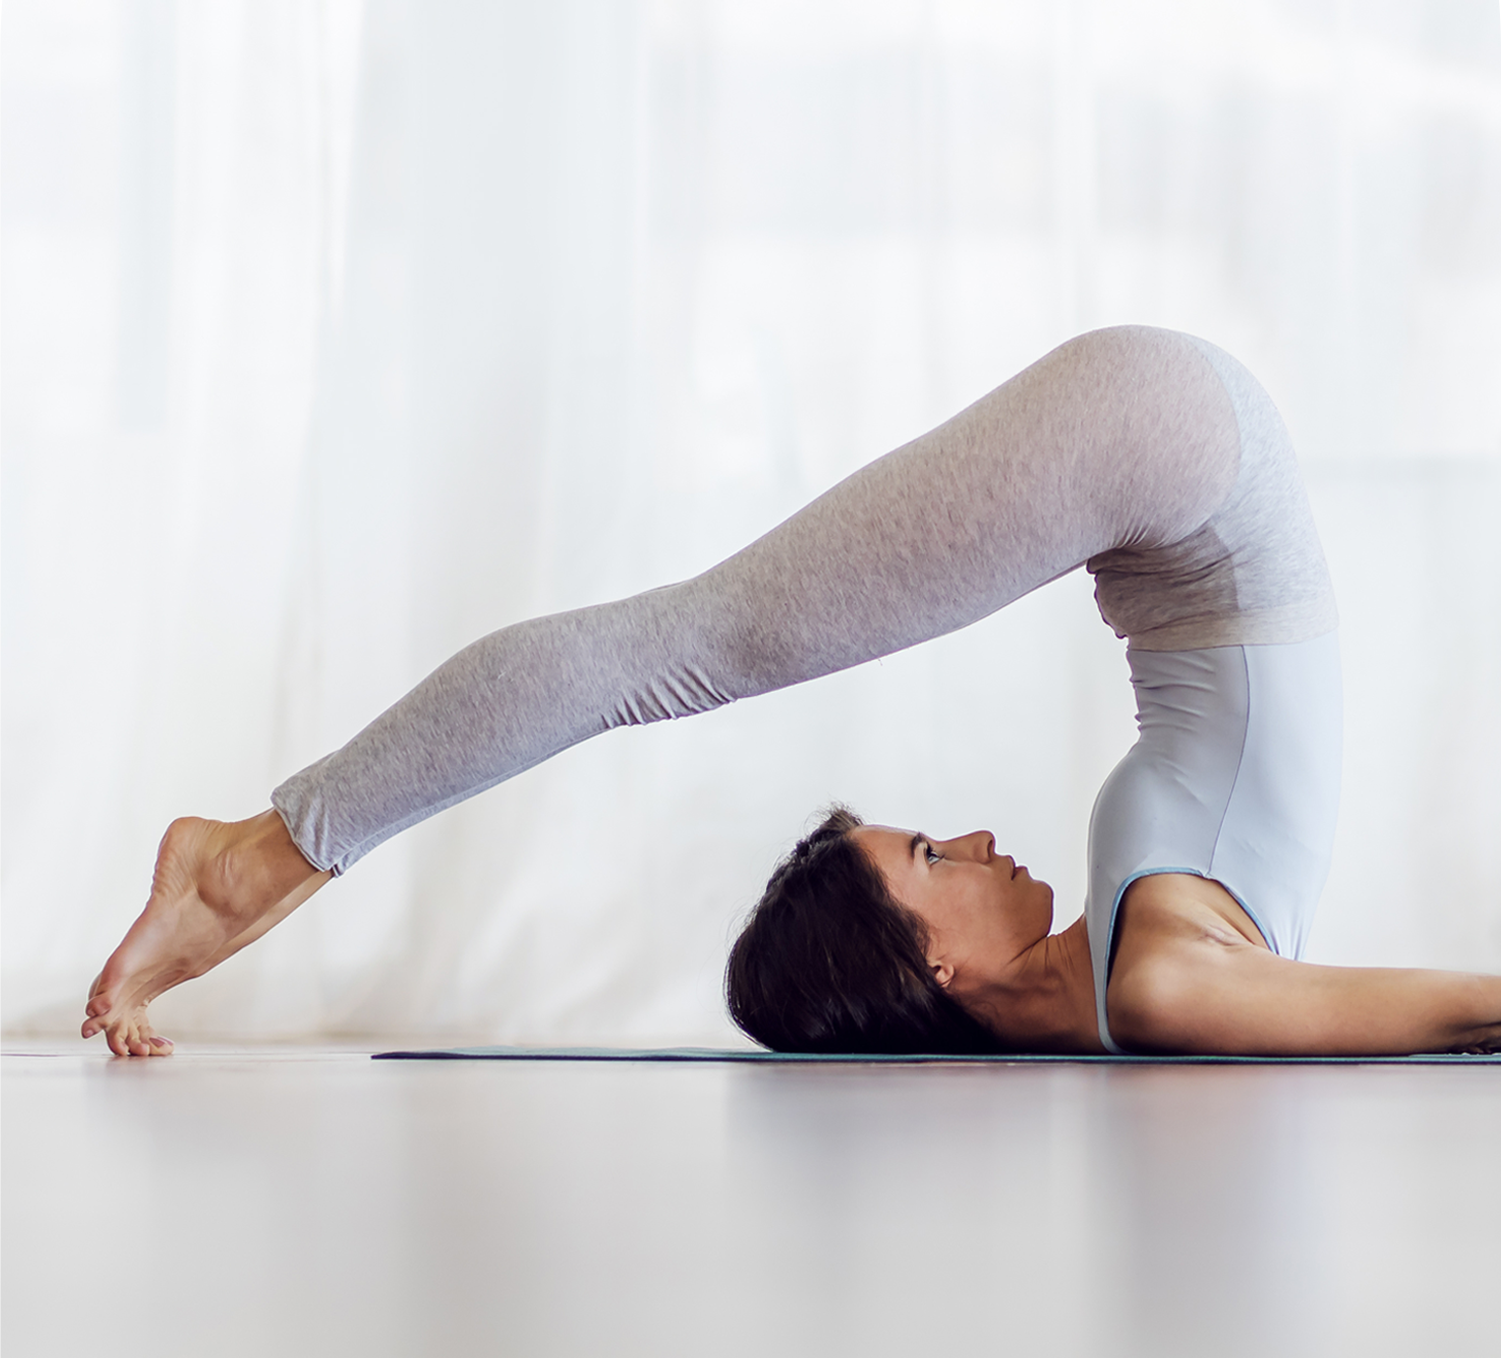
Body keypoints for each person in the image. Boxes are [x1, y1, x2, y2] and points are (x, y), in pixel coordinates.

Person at [82, 327, 1501, 1059]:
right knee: (681, 646)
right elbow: (1462, 1009)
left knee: (686, 644)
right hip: (1178, 458)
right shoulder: (1163, 981)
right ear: (930, 971)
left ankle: (256, 857)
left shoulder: (1145, 968)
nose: (981, 840)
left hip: (1179, 464)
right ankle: (244, 861)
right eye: (933, 860)